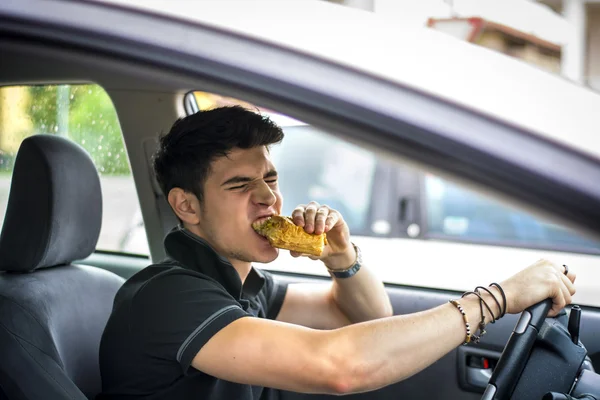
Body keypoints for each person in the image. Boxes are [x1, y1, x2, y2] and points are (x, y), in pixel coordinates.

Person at [97, 106, 577, 400]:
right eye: (240, 185)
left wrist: (340, 256)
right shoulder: (170, 296)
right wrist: (498, 298)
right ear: (187, 206)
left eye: (270, 178)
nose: (268, 199)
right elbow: (340, 366)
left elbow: (366, 315)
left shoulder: (240, 286)